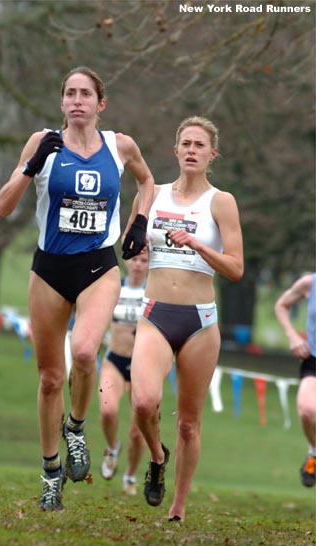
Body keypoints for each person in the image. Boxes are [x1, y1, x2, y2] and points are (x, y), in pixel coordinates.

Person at [0, 66, 154, 511]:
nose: (77, 100)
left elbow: (146, 181)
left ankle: (77, 429)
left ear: (100, 104)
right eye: (70, 93)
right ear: (62, 102)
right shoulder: (42, 142)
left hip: (99, 268)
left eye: (86, 94)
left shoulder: (119, 146)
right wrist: (30, 166)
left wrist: (139, 221)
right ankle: (50, 476)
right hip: (49, 270)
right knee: (49, 379)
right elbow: (3, 207)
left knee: (84, 352)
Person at [126, 116, 244, 522]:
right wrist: (135, 238)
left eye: (200, 145)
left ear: (212, 154)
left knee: (190, 424)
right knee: (143, 401)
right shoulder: (151, 194)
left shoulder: (220, 202)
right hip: (156, 314)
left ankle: (177, 508)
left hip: (200, 322)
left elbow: (235, 268)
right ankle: (157, 457)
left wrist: (195, 243)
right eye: (186, 144)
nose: (192, 150)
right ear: (175, 150)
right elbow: (129, 245)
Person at [99, 249, 149, 495]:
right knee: (107, 410)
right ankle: (112, 448)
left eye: (144, 260)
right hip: (114, 360)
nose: (138, 265)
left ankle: (130, 476)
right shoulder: (114, 288)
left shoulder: (153, 293)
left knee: (138, 433)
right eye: (135, 259)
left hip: (143, 366)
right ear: (126, 261)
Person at [274, 273, 316, 487]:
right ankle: (314, 452)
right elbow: (281, 305)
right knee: (307, 410)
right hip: (313, 360)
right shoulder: (310, 283)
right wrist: (292, 336)